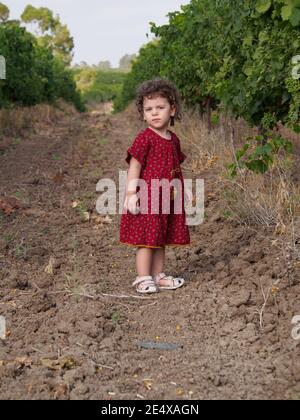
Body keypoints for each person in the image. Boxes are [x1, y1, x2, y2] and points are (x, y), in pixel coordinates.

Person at [120, 79, 192, 294]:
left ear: (172, 110)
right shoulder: (145, 139)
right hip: (148, 197)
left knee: (160, 238)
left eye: (160, 108)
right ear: (143, 114)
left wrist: (184, 190)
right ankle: (143, 277)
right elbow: (134, 166)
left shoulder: (173, 139)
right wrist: (131, 193)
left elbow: (176, 167)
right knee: (146, 239)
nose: (154, 113)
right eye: (149, 109)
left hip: (167, 198)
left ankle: (157, 276)